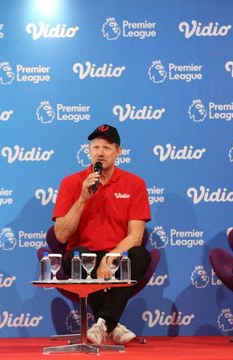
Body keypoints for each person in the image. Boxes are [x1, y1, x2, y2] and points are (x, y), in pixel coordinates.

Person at [52, 124, 151, 345]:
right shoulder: (71, 183)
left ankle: (103, 324)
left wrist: (111, 257)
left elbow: (135, 235)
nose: (99, 152)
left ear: (119, 152)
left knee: (141, 255)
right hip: (82, 256)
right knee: (78, 256)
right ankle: (111, 325)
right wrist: (82, 199)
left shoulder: (135, 184)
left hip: (116, 256)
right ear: (88, 151)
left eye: (106, 147)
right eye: (95, 147)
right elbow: (61, 235)